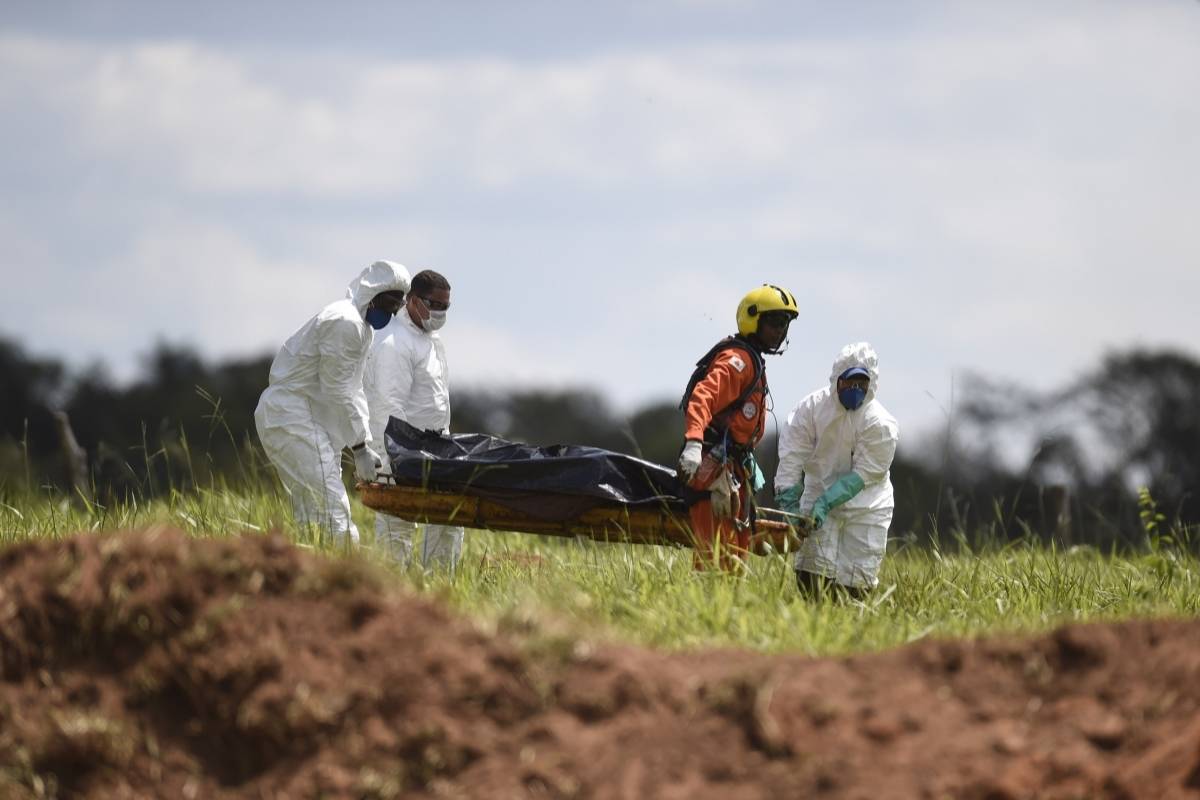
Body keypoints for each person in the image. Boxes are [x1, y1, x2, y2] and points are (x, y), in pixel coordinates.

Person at [254, 260, 411, 546]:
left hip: (307, 419)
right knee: (332, 509)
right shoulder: (344, 322)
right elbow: (337, 389)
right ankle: (346, 575)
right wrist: (360, 447)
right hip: (290, 415)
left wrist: (365, 443)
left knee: (313, 512)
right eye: (389, 303)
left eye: (396, 307)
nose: (390, 312)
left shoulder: (362, 328)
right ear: (372, 293)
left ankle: (311, 576)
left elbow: (354, 388)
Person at [677, 284, 799, 570]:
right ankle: (706, 610)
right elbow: (703, 397)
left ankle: (726, 610)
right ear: (754, 320)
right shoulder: (739, 362)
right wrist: (694, 443)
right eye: (775, 323)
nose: (780, 331)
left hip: (732, 471)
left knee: (735, 553)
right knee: (716, 557)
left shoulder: (751, 359)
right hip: (712, 470)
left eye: (785, 325)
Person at [774, 342, 900, 599]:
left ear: (871, 384)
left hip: (867, 506)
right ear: (837, 380)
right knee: (811, 576)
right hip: (818, 491)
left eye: (861, 383)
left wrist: (827, 502)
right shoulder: (810, 410)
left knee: (855, 583)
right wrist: (788, 502)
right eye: (850, 382)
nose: (855, 389)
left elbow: (864, 474)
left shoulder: (881, 424)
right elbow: (791, 457)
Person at [364, 269, 463, 570]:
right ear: (412, 301)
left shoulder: (433, 341)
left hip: (435, 450)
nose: (440, 313)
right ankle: (391, 597)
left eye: (445, 307)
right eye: (434, 305)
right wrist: (391, 460)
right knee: (397, 530)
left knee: (448, 520)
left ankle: (437, 590)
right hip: (401, 452)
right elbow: (386, 406)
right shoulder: (395, 343)